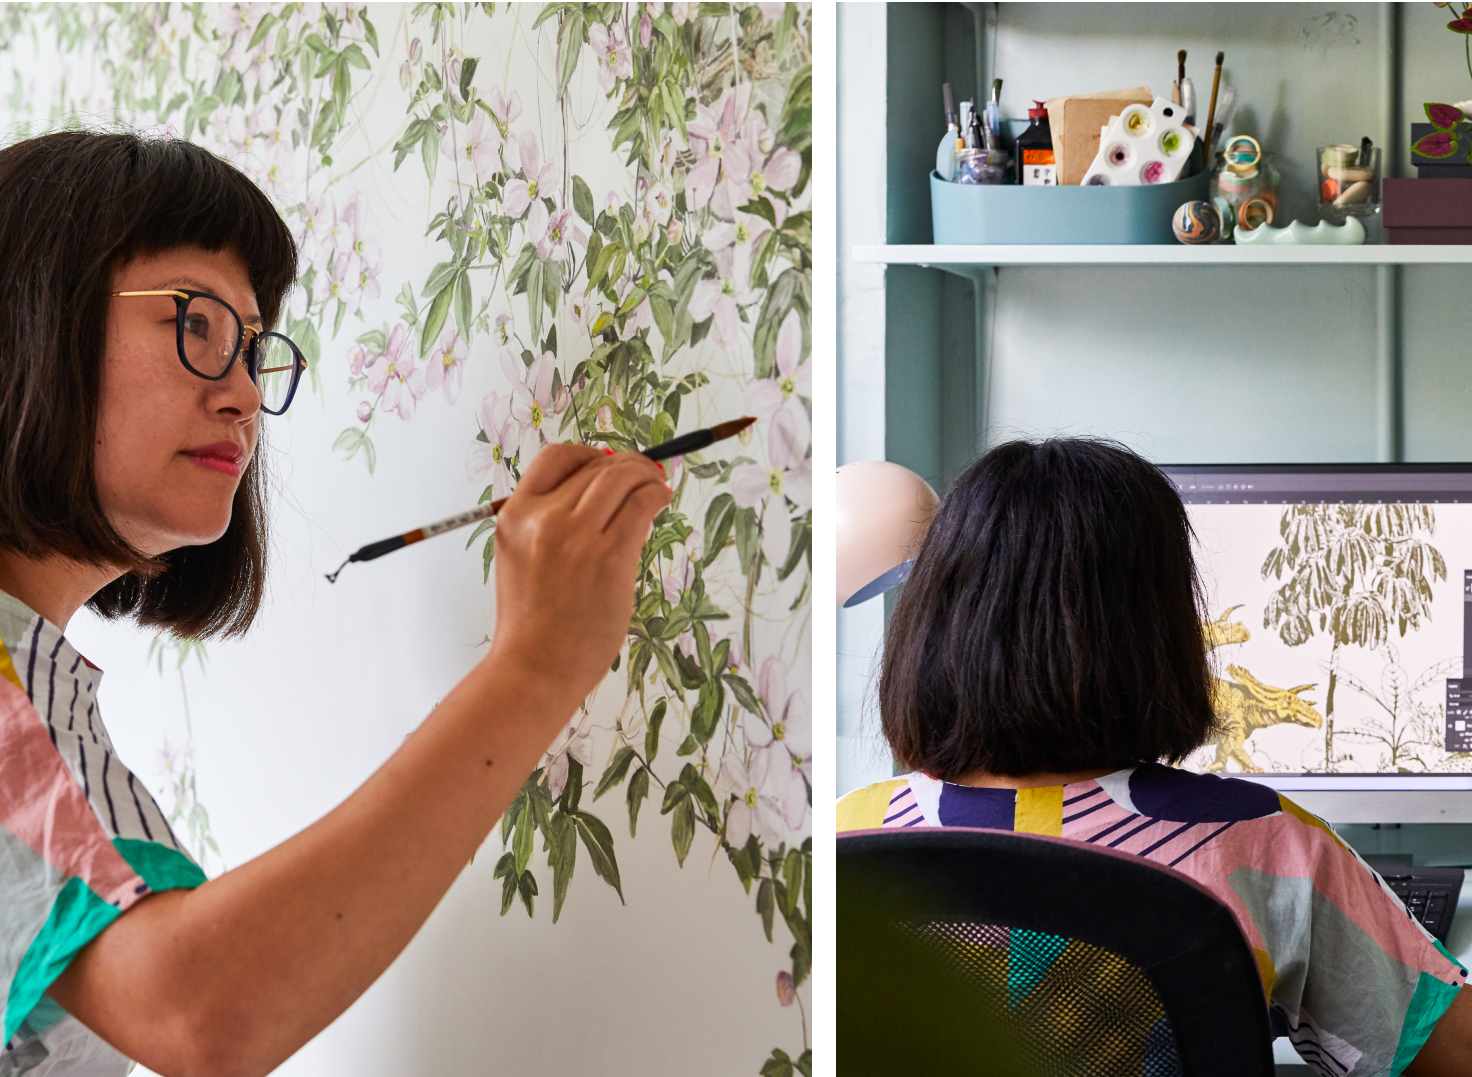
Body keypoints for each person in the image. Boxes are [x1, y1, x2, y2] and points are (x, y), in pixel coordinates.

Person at [0, 131, 669, 1077]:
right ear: (29, 320)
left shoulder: (46, 702)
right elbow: (199, 1010)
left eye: (251, 346)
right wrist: (536, 665)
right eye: (195, 325)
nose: (240, 392)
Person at [836, 438, 1472, 1076]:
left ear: (935, 621)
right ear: (1159, 633)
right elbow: (1452, 1057)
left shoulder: (839, 843)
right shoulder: (1263, 844)